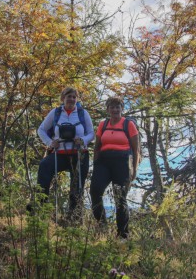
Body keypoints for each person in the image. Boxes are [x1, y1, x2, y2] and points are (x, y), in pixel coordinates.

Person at [36, 87, 94, 219]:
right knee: (44, 166)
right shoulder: (55, 112)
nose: (72, 99)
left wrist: (83, 140)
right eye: (69, 96)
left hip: (79, 154)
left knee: (77, 186)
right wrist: (50, 143)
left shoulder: (82, 113)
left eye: (74, 97)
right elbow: (41, 130)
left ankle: (73, 217)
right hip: (60, 153)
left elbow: (91, 133)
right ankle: (42, 208)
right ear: (63, 98)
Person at [90, 96, 140, 238]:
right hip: (104, 162)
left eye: (118, 107)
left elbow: (136, 150)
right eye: (112, 107)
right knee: (95, 191)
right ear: (107, 109)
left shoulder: (128, 125)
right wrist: (96, 164)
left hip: (122, 162)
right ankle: (102, 225)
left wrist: (134, 169)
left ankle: (122, 234)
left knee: (120, 198)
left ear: (122, 109)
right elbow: (97, 147)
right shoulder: (103, 124)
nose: (115, 109)